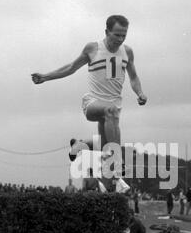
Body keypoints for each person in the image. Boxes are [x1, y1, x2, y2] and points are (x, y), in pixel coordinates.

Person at [31, 15, 147, 187]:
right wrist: (45, 77)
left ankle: (83, 148)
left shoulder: (127, 52)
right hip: (92, 103)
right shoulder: (93, 48)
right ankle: (117, 161)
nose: (120, 39)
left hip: (113, 110)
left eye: (124, 35)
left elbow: (134, 77)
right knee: (110, 114)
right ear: (107, 31)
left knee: (105, 145)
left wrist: (140, 93)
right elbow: (71, 67)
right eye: (117, 35)